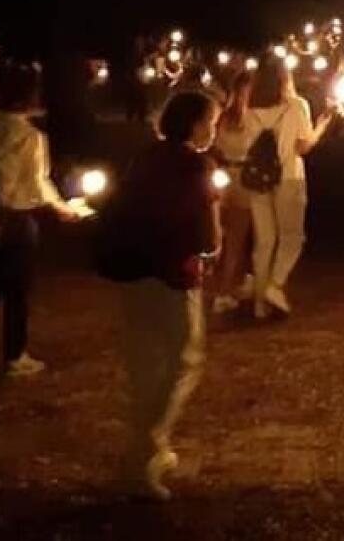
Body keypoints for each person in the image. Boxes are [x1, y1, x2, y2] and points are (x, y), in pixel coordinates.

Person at [101, 91, 222, 500]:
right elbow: (208, 239)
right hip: (173, 274)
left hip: (133, 270)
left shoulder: (144, 158)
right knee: (184, 358)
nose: (213, 130)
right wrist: (213, 240)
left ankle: (147, 446)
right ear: (195, 124)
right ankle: (145, 450)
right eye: (211, 122)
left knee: (144, 362)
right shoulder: (196, 166)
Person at [0, 61, 84, 377]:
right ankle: (14, 355)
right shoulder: (30, 137)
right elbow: (36, 182)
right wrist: (63, 207)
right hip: (15, 218)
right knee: (17, 289)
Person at [244, 60, 336, 318]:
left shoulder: (250, 110)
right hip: (289, 178)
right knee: (292, 237)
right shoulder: (296, 106)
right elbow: (303, 146)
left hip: (258, 179)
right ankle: (275, 285)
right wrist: (323, 123)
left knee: (264, 241)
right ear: (285, 79)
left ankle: (259, 304)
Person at [210, 71, 254, 314]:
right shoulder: (234, 118)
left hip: (231, 177)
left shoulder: (226, 118)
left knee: (233, 237)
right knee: (231, 238)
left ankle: (236, 282)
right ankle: (224, 292)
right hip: (234, 179)